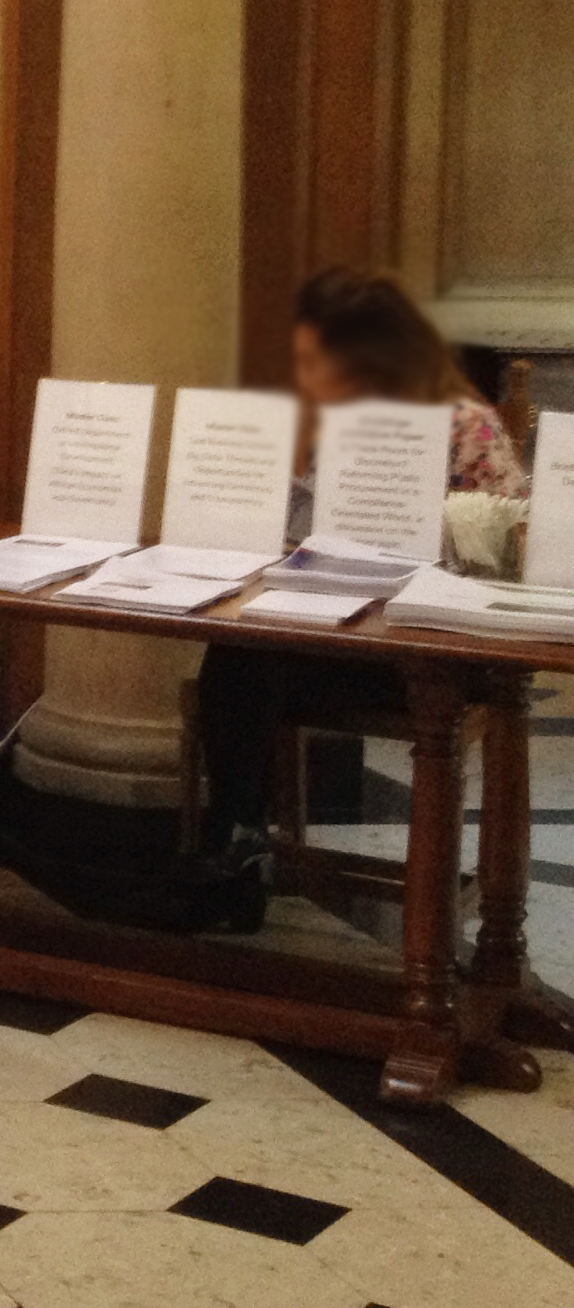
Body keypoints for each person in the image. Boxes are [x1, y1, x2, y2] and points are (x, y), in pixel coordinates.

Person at [194, 266, 528, 922]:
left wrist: (428, 522)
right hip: (344, 630)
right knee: (239, 645)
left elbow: (515, 540)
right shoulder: (348, 424)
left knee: (252, 661)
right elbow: (312, 524)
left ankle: (237, 849)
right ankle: (237, 841)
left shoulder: (466, 423)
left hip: (430, 643)